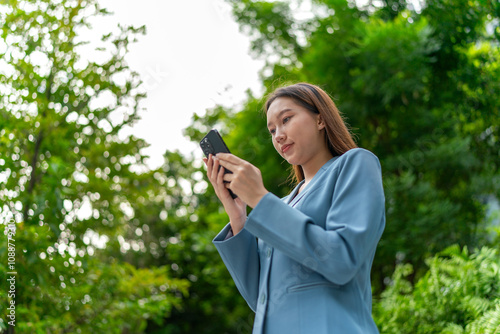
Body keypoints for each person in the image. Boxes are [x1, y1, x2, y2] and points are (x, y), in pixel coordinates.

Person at [203, 82, 385, 334]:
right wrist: (238, 216)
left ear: (320, 119)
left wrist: (260, 198)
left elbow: (343, 260)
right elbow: (263, 301)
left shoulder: (356, 164)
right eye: (272, 129)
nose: (278, 135)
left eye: (286, 119)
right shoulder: (284, 204)